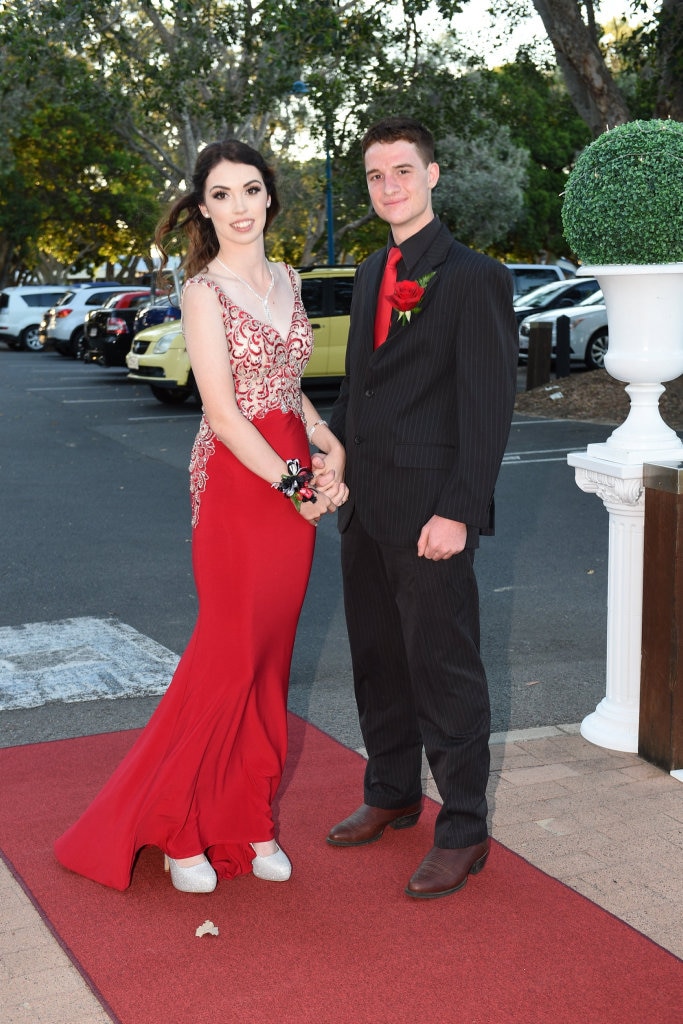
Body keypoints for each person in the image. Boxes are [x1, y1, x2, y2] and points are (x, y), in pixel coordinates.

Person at [55, 139, 347, 893]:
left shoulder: (287, 277)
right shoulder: (201, 291)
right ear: (203, 207)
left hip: (288, 473)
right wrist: (294, 479)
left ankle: (250, 820)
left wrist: (323, 440)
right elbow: (221, 411)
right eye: (223, 195)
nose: (241, 207)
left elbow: (287, 383)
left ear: (269, 197)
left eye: (251, 190)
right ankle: (179, 829)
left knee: (268, 664)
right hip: (237, 482)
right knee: (226, 660)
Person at [324, 117, 518, 899]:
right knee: (377, 661)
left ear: (432, 175)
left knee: (443, 670)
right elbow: (357, 389)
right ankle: (392, 790)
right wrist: (329, 467)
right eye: (375, 176)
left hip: (431, 513)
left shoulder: (473, 276)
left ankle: (463, 827)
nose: (389, 186)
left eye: (402, 170)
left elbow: (486, 407)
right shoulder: (373, 269)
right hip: (363, 508)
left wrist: (459, 511)